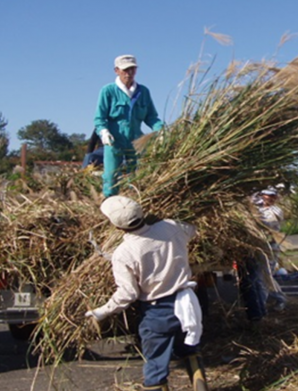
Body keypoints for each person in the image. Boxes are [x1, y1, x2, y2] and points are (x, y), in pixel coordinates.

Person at [85, 196, 209, 391]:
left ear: (117, 227)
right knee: (189, 350)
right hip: (187, 303)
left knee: (156, 365)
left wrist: (103, 311)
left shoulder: (124, 253)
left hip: (157, 312)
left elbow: (128, 293)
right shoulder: (171, 227)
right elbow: (192, 230)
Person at [94, 55, 164, 198]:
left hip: (136, 140)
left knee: (137, 175)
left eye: (132, 69)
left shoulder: (143, 91)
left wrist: (160, 130)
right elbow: (99, 118)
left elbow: (151, 117)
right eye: (125, 69)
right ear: (117, 70)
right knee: (111, 175)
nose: (129, 73)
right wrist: (104, 132)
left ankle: (136, 202)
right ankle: (110, 203)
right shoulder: (108, 91)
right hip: (114, 140)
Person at [256, 188, 287, 312]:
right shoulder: (258, 209)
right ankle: (274, 300)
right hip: (259, 246)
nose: (269, 198)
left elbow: (268, 223)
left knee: (265, 275)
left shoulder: (276, 211)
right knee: (261, 275)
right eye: (267, 195)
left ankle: (267, 303)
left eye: (272, 196)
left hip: (270, 247)